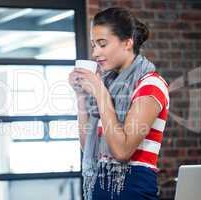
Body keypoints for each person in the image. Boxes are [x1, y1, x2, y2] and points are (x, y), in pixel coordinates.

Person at [68, 7, 169, 200]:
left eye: (102, 44)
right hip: (101, 190)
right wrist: (81, 96)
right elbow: (87, 146)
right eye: (93, 45)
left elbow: (122, 151)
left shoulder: (150, 84)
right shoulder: (108, 85)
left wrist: (100, 93)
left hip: (133, 191)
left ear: (127, 42)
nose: (95, 53)